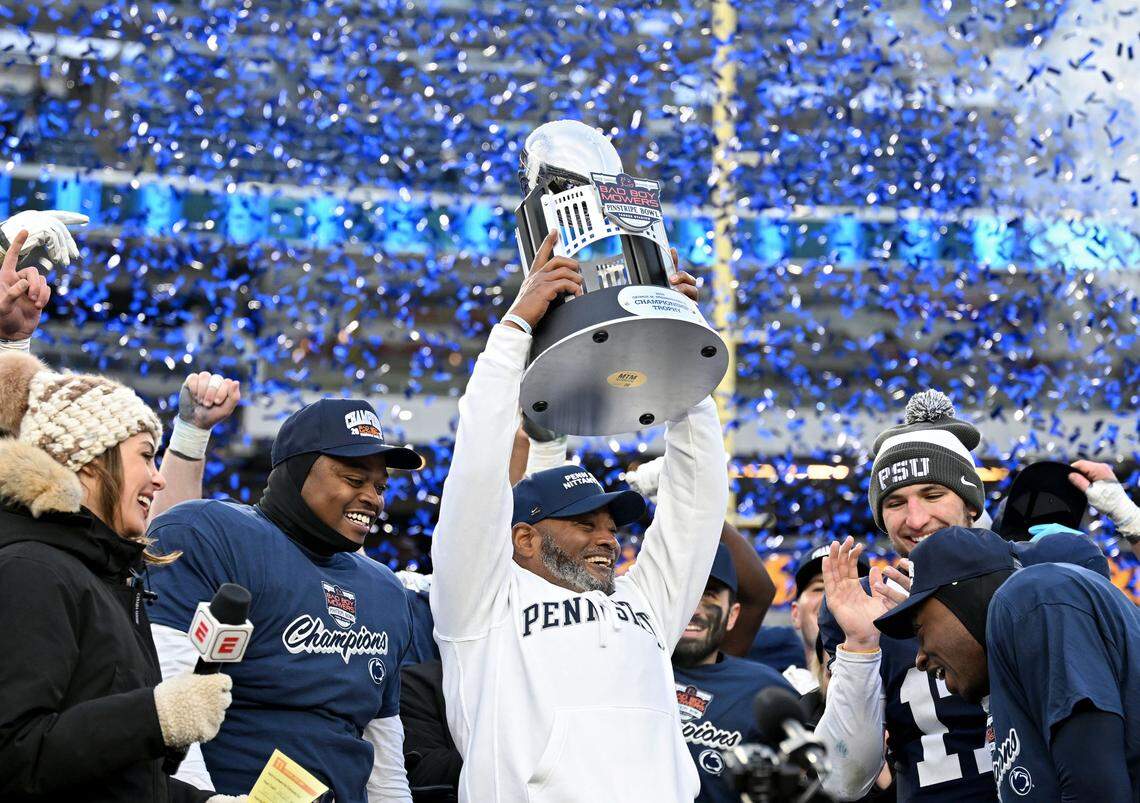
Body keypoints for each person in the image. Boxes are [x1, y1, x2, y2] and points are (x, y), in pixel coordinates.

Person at [430, 229, 728, 802]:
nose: (608, 540)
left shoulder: (644, 604)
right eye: (585, 525)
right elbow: (476, 470)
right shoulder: (481, 603)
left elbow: (697, 501)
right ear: (523, 537)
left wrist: (681, 351)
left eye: (613, 529)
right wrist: (515, 328)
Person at [146, 398, 424, 801]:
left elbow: (384, 751)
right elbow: (168, 697)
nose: (374, 498)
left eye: (379, 486)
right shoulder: (210, 533)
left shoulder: (385, 589)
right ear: (297, 470)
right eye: (353, 478)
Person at [0, 336, 237, 800]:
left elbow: (128, 780)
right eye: (146, 454)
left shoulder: (111, 578)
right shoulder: (31, 570)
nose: (158, 476)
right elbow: (14, 758)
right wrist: (155, 716)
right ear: (90, 462)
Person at [816, 389, 997, 802]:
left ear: (970, 504)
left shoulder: (1025, 580)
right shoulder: (865, 602)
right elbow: (843, 780)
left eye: (933, 495)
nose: (916, 519)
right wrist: (861, 645)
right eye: (895, 502)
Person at [874, 526, 1140, 802]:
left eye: (920, 631)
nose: (920, 659)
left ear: (964, 599)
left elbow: (1097, 793)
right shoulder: (1005, 689)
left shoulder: (1032, 595)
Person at [672, 543, 795, 803]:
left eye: (710, 595)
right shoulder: (630, 673)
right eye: (688, 592)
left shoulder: (766, 690)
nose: (695, 609)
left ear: (732, 615)